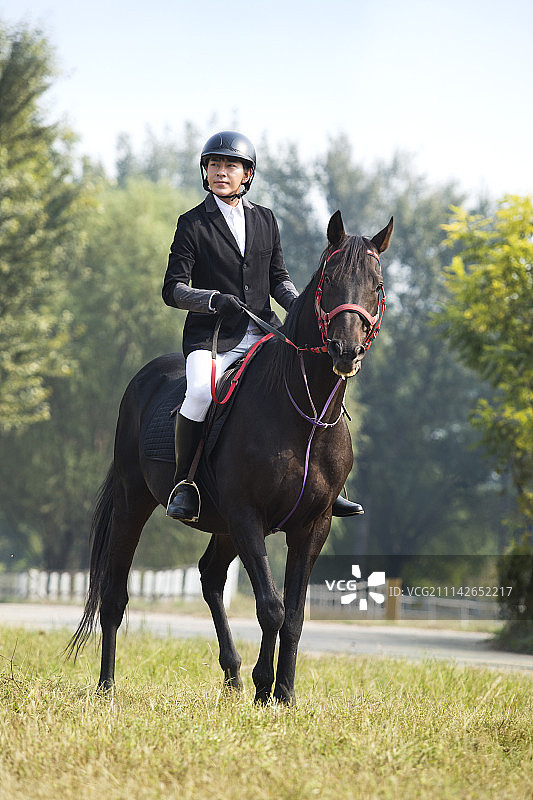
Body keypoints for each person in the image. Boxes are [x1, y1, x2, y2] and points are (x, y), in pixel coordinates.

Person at [162, 130, 363, 522]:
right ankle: (184, 483)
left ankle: (328, 483)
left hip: (267, 332)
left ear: (247, 175)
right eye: (214, 165)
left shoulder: (265, 219)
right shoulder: (192, 224)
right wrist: (213, 300)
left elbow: (278, 278)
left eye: (230, 166)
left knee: (317, 381)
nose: (221, 172)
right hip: (214, 338)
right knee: (201, 392)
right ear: (205, 172)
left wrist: (303, 307)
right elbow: (173, 289)